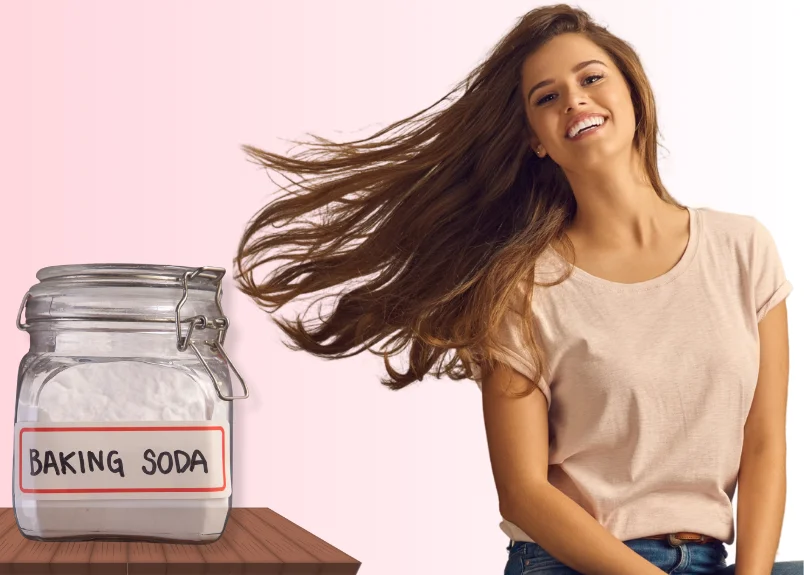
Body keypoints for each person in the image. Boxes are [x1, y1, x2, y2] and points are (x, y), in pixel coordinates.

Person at [233, 4, 800, 575]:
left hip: (714, 559)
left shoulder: (742, 248)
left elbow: (764, 446)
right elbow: (523, 491)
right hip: (571, 562)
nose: (575, 100)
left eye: (591, 78)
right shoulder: (522, 286)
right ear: (536, 142)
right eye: (546, 98)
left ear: (634, 93)